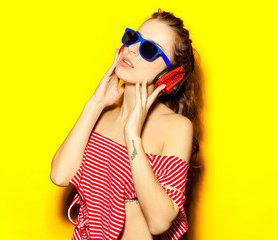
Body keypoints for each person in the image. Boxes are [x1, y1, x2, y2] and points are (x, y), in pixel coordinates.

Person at [50, 9, 202, 240]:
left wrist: (133, 136)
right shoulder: (102, 115)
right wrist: (95, 104)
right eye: (133, 38)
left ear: (170, 75)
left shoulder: (176, 127)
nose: (132, 49)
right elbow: (60, 176)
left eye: (149, 49)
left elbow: (159, 222)